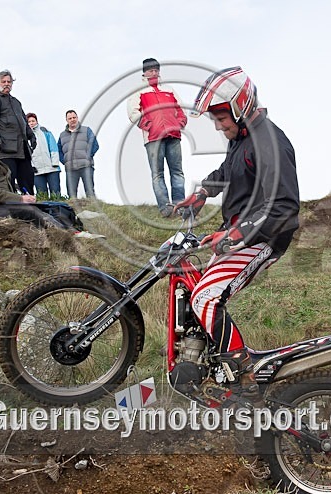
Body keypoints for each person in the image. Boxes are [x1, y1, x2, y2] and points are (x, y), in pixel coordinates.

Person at [174, 66, 300, 392]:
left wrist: (236, 235)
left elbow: (283, 207)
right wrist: (203, 192)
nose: (218, 125)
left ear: (240, 106)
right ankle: (207, 362)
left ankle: (244, 379)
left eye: (220, 118)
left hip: (264, 239)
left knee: (206, 298)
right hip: (240, 234)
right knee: (193, 292)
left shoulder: (270, 142)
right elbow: (228, 170)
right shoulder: (242, 137)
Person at [126, 58, 188, 217]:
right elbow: (133, 112)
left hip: (173, 135)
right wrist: (149, 125)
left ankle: (180, 205)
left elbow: (180, 108)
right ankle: (165, 207)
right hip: (153, 138)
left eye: (156, 70)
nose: (154, 73)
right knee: (157, 174)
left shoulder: (169, 89)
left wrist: (180, 122)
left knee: (177, 172)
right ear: (144, 73)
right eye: (150, 70)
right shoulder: (139, 91)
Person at [0, 70, 37, 195]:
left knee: (28, 180)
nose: (7, 84)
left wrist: (31, 135)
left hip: (22, 149)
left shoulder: (16, 102)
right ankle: (11, 205)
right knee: (8, 182)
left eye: (9, 82)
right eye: (4, 81)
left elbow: (24, 121)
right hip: (6, 151)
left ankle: (30, 203)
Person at [57, 110, 98, 199]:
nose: (72, 120)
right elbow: (58, 150)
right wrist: (65, 161)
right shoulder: (62, 135)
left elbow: (95, 144)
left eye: (74, 117)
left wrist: (88, 156)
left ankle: (93, 207)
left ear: (77, 118)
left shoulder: (86, 130)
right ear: (66, 120)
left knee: (90, 191)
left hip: (86, 166)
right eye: (70, 118)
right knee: (71, 194)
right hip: (70, 169)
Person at [27, 113, 61, 198]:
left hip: (51, 168)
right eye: (29, 122)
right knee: (42, 195)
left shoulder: (45, 131)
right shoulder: (25, 136)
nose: (31, 123)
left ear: (36, 121)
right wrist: (31, 167)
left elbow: (53, 147)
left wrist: (55, 163)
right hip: (37, 171)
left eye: (33, 121)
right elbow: (27, 155)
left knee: (55, 193)